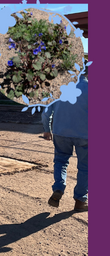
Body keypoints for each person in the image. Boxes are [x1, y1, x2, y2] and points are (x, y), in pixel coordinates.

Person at [42, 70, 88, 212]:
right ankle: (80, 201)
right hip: (85, 135)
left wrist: (47, 129)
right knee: (85, 167)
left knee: (61, 161)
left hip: (60, 133)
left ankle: (59, 188)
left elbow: (46, 112)